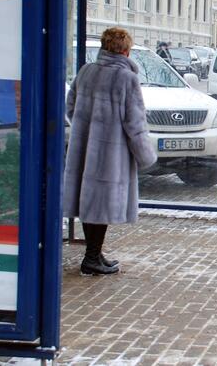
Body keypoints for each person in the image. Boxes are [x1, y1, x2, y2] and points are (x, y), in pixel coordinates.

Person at [64, 27, 157, 276]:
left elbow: (70, 106)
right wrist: (145, 154)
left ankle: (94, 254)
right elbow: (135, 122)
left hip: (85, 149)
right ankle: (91, 257)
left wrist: (86, 129)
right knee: (102, 204)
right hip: (110, 154)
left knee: (90, 202)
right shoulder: (127, 79)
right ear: (126, 51)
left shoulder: (87, 71)